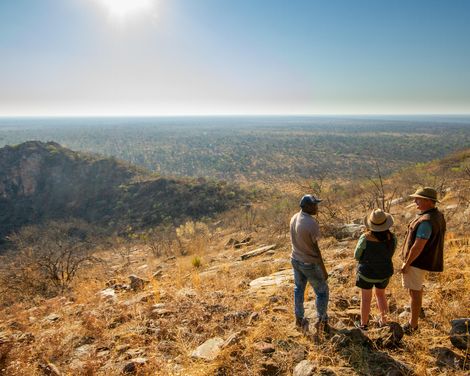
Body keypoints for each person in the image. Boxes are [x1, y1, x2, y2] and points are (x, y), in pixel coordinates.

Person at [400, 187, 446, 334]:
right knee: (415, 289)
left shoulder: (426, 220)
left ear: (428, 201)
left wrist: (407, 263)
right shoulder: (436, 215)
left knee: (415, 291)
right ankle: (418, 311)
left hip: (417, 262)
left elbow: (418, 245)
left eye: (418, 199)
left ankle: (413, 325)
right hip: (422, 261)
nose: (415, 201)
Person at [290, 194, 329, 333]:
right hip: (309, 263)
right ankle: (322, 321)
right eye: (314, 205)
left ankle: (299, 318)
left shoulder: (295, 217)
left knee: (299, 289)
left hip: (295, 259)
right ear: (306, 206)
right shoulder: (311, 223)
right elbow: (316, 250)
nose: (316, 207)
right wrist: (323, 270)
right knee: (322, 291)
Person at [354, 209, 396, 330]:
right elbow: (391, 252)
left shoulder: (365, 237)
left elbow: (357, 255)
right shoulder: (392, 237)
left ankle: (364, 324)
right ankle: (384, 322)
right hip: (384, 272)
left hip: (366, 273)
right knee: (381, 296)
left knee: (366, 299)